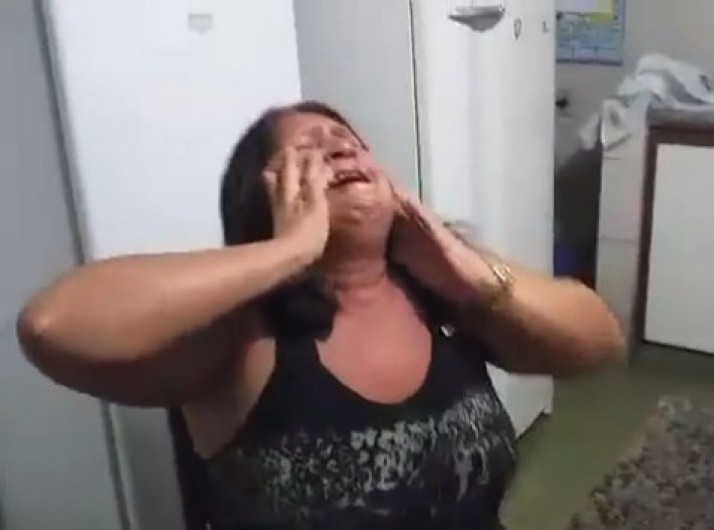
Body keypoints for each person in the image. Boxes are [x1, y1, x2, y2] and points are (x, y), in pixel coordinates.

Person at [17, 101, 624, 530]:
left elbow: (598, 342)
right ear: (266, 196)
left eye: (349, 140)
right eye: (307, 151)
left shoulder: (441, 292)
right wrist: (290, 251)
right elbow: (55, 326)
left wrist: (475, 276)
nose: (340, 145)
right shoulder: (243, 333)